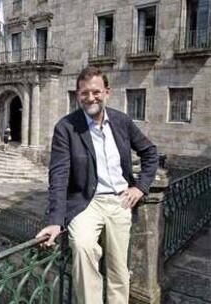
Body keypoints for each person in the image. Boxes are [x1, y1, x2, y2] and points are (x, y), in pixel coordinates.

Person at [36, 66, 158, 304]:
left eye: (96, 92)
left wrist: (141, 187)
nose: (90, 98)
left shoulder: (121, 121)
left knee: (119, 270)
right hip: (85, 203)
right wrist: (55, 220)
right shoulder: (66, 127)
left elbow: (150, 152)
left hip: (119, 201)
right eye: (84, 93)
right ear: (77, 95)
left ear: (107, 92)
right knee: (82, 247)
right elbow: (59, 175)